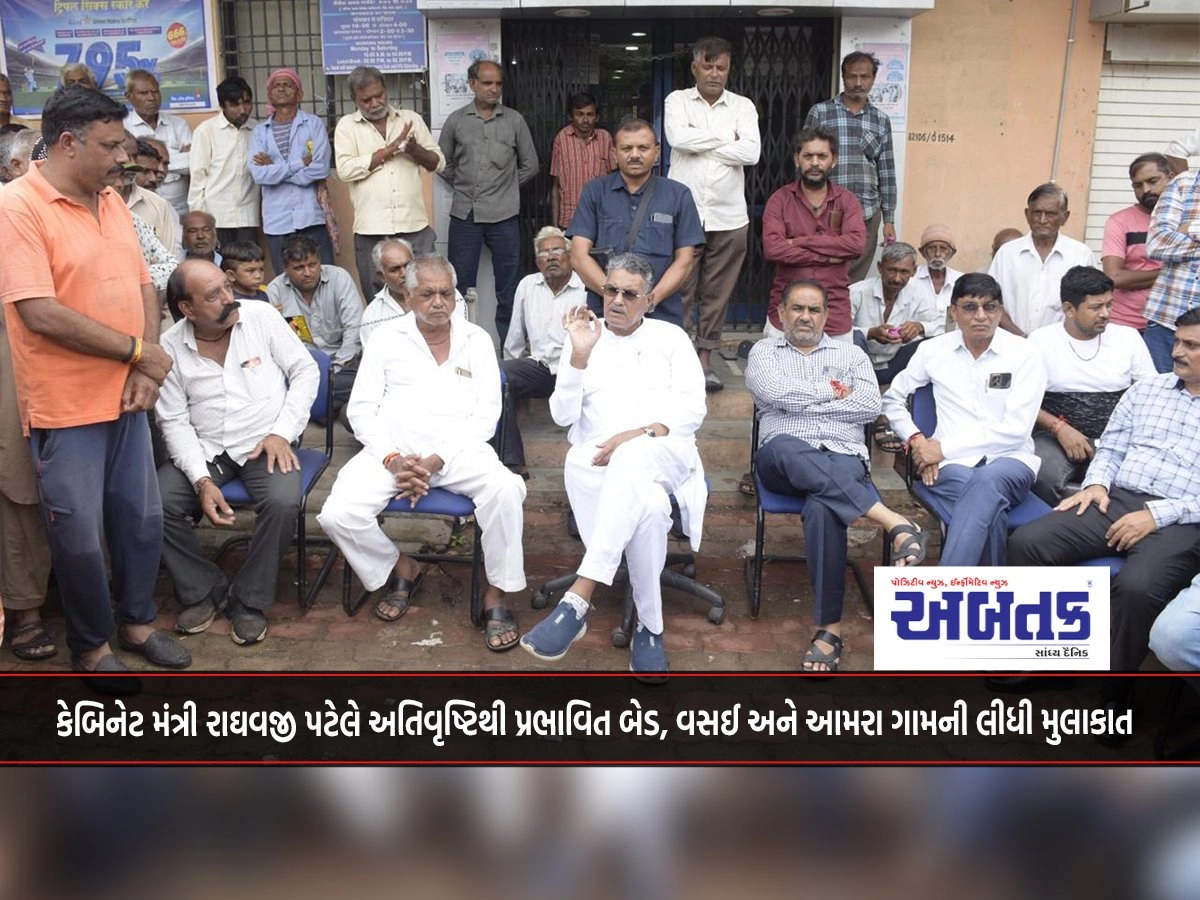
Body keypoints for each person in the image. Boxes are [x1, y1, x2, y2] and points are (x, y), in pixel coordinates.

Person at [0, 85, 189, 674]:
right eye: (110, 146)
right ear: (66, 142)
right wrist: (138, 351)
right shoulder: (17, 207)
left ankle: (136, 623)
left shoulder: (107, 199)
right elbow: (39, 311)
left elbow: (143, 285)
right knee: (79, 538)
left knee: (140, 521)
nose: (120, 159)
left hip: (128, 396)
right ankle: (92, 646)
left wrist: (146, 362)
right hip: (64, 405)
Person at [317, 255, 527, 650]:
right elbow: (360, 409)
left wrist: (436, 460)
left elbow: (487, 416)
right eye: (427, 293)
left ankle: (496, 593)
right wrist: (394, 459)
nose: (438, 302)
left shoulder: (476, 339)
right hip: (392, 454)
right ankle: (402, 566)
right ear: (408, 295)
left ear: (455, 296)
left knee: (507, 490)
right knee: (337, 514)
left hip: (459, 452)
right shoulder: (385, 339)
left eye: (446, 293)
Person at [520, 253, 707, 674]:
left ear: (649, 301)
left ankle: (579, 599)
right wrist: (579, 357)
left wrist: (638, 434)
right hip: (596, 460)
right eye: (610, 290)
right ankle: (650, 628)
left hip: (663, 448)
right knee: (652, 510)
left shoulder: (671, 338)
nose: (617, 300)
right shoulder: (584, 336)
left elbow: (693, 409)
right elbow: (562, 417)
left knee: (634, 455)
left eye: (629, 293)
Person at [1009, 307, 1200, 692]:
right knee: (1028, 543)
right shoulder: (1147, 390)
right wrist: (1096, 484)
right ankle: (1050, 661)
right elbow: (1110, 448)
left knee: (1137, 588)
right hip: (1117, 499)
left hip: (1184, 520)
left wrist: (1156, 515)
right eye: (1177, 341)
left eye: (1191, 345)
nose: (1178, 351)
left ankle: (1115, 694)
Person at [747, 278, 927, 671]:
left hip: (843, 454)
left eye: (814, 310)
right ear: (781, 313)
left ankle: (829, 629)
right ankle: (893, 522)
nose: (805, 317)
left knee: (824, 507)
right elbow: (773, 395)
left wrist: (806, 401)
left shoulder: (852, 355)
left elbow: (867, 404)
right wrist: (833, 394)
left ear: (827, 316)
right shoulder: (764, 352)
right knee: (784, 447)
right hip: (783, 457)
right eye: (797, 308)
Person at [156, 259, 318, 645]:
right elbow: (174, 421)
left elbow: (305, 372)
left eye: (227, 287)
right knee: (154, 502)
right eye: (214, 296)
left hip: (266, 444)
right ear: (187, 309)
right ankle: (204, 589)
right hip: (206, 448)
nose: (230, 299)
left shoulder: (259, 316)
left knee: (282, 503)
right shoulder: (170, 346)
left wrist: (282, 433)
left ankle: (248, 599)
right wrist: (201, 480)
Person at [881, 273, 1047, 566]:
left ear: (1000, 311)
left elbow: (1017, 430)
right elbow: (893, 399)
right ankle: (989, 598)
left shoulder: (1025, 353)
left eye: (990, 307)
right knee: (988, 511)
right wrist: (918, 441)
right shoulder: (933, 350)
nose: (981, 316)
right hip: (951, 468)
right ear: (953, 312)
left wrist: (941, 449)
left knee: (985, 482)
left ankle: (948, 587)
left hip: (1011, 462)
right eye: (970, 307)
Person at [665, 35, 761, 392]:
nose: (714, 73)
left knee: (717, 292)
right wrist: (726, 139)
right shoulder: (677, 101)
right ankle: (678, 361)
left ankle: (705, 361)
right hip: (685, 212)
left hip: (729, 216)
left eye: (721, 67)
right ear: (694, 66)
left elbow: (751, 152)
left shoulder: (743, 106)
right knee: (681, 290)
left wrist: (702, 140)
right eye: (708, 65)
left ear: (728, 69)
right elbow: (677, 138)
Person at [1026, 266, 1155, 505]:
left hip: (1116, 438)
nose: (1106, 313)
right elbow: (1022, 400)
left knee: (1137, 479)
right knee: (1042, 473)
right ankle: (1049, 536)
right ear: (1069, 309)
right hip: (1054, 436)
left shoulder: (1128, 338)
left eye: (1109, 304)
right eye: (1096, 307)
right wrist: (1059, 428)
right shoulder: (1040, 342)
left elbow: (1150, 397)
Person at [567, 117, 704, 329]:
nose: (634, 155)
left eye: (643, 148)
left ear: (657, 152)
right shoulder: (595, 192)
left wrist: (649, 300)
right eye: (626, 148)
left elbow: (684, 261)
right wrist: (615, 296)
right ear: (614, 153)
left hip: (661, 312)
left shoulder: (678, 195)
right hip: (605, 312)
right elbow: (578, 255)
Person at [0, 130, 54, 662]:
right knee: (18, 488)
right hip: (11, 367)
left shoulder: (76, 211)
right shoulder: (9, 213)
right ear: (16, 168)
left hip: (71, 370)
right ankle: (25, 609)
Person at [438, 60, 538, 344]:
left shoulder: (514, 120)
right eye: (487, 83)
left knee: (508, 288)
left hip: (505, 215)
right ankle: (458, 345)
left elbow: (530, 165)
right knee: (457, 286)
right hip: (464, 215)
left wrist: (504, 189)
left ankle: (511, 348)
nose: (494, 89)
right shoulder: (456, 121)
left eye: (498, 84)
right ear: (472, 84)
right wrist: (466, 186)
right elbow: (441, 162)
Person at [335, 66, 444, 299]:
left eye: (379, 95)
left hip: (415, 227)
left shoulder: (411, 119)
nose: (375, 103)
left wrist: (414, 150)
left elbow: (438, 163)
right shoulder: (347, 126)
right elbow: (345, 170)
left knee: (425, 290)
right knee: (378, 296)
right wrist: (390, 150)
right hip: (371, 230)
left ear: (385, 90)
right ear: (354, 99)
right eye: (366, 100)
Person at [762, 125, 866, 342]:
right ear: (796, 159)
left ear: (833, 160)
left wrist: (800, 242)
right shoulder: (779, 200)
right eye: (808, 156)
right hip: (786, 311)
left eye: (822, 156)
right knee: (780, 375)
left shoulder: (847, 201)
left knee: (836, 376)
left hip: (834, 310)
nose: (815, 162)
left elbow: (856, 244)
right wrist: (829, 255)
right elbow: (773, 249)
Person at [803, 51, 897, 284]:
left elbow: (886, 171)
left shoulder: (880, 119)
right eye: (852, 76)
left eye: (864, 77)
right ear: (843, 77)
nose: (858, 83)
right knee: (821, 269)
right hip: (825, 209)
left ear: (873, 79)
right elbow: (804, 159)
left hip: (866, 210)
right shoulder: (821, 112)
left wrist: (889, 220)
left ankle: (843, 319)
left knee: (853, 279)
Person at [501, 226, 585, 477]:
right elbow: (514, 336)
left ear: (570, 256)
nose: (550, 257)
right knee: (498, 376)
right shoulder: (527, 285)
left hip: (578, 370)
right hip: (539, 368)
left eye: (557, 250)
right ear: (537, 262)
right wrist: (511, 382)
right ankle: (512, 462)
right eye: (543, 253)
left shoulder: (585, 286)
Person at [849, 241, 941, 453]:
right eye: (892, 270)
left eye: (904, 272)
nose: (897, 278)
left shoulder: (919, 293)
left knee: (931, 345)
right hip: (862, 365)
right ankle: (877, 409)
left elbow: (938, 325)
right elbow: (839, 332)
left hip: (894, 363)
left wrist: (919, 327)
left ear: (913, 272)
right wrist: (870, 332)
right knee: (853, 338)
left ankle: (904, 409)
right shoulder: (856, 292)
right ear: (880, 267)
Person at [265, 234, 362, 416]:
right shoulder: (275, 291)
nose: (308, 273)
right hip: (302, 371)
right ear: (285, 268)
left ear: (319, 261)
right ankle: (327, 406)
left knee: (364, 380)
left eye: (312, 265)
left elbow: (354, 329)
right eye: (299, 268)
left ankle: (312, 407)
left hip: (343, 366)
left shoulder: (339, 278)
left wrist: (335, 370)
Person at [249, 68, 334, 273]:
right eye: (276, 86)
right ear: (269, 95)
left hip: (311, 218)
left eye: (287, 85)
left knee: (324, 276)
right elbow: (259, 174)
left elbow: (321, 168)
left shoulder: (313, 124)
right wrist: (297, 165)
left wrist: (276, 171)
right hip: (277, 220)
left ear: (299, 94)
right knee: (285, 280)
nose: (281, 89)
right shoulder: (260, 132)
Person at [988, 183, 1097, 336]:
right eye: (1037, 213)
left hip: (1062, 346)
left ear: (1065, 217)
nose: (1042, 220)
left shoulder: (1081, 255)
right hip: (1011, 343)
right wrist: (1019, 337)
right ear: (1027, 214)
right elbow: (990, 301)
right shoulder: (1007, 253)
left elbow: (1090, 304)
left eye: (1050, 214)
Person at [1101, 153, 1171, 335]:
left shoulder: (1185, 220)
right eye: (1138, 185)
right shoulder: (1119, 221)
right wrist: (1173, 272)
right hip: (1125, 325)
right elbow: (1114, 277)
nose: (1146, 189)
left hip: (1172, 325)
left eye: (1152, 181)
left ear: (1170, 178)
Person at [188, 75, 259, 247]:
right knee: (219, 269)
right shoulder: (206, 131)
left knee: (246, 266)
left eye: (247, 102)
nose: (243, 110)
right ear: (223, 105)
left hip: (247, 216)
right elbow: (198, 176)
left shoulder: (258, 130)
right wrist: (200, 220)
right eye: (235, 104)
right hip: (215, 217)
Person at [1144, 165, 1200, 374]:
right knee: (1158, 398)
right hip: (1167, 322)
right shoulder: (1183, 183)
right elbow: (1157, 243)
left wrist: (1189, 229)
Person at [122, 69, 192, 217]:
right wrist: (177, 157)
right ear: (129, 97)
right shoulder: (122, 127)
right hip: (139, 208)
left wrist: (145, 163)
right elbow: (125, 166)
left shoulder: (178, 125)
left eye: (155, 92)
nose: (151, 98)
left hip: (179, 208)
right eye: (144, 93)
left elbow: (192, 163)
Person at [549, 91, 613, 230]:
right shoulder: (561, 139)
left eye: (590, 114)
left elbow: (615, 180)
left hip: (601, 219)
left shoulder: (605, 138)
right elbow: (556, 186)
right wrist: (555, 229)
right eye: (579, 114)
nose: (585, 120)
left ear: (597, 117)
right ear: (570, 117)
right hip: (570, 220)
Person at [912, 224, 962, 330]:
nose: (938, 254)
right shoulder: (911, 278)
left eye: (943, 249)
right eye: (932, 248)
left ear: (952, 253)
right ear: (923, 252)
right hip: (916, 341)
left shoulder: (961, 281)